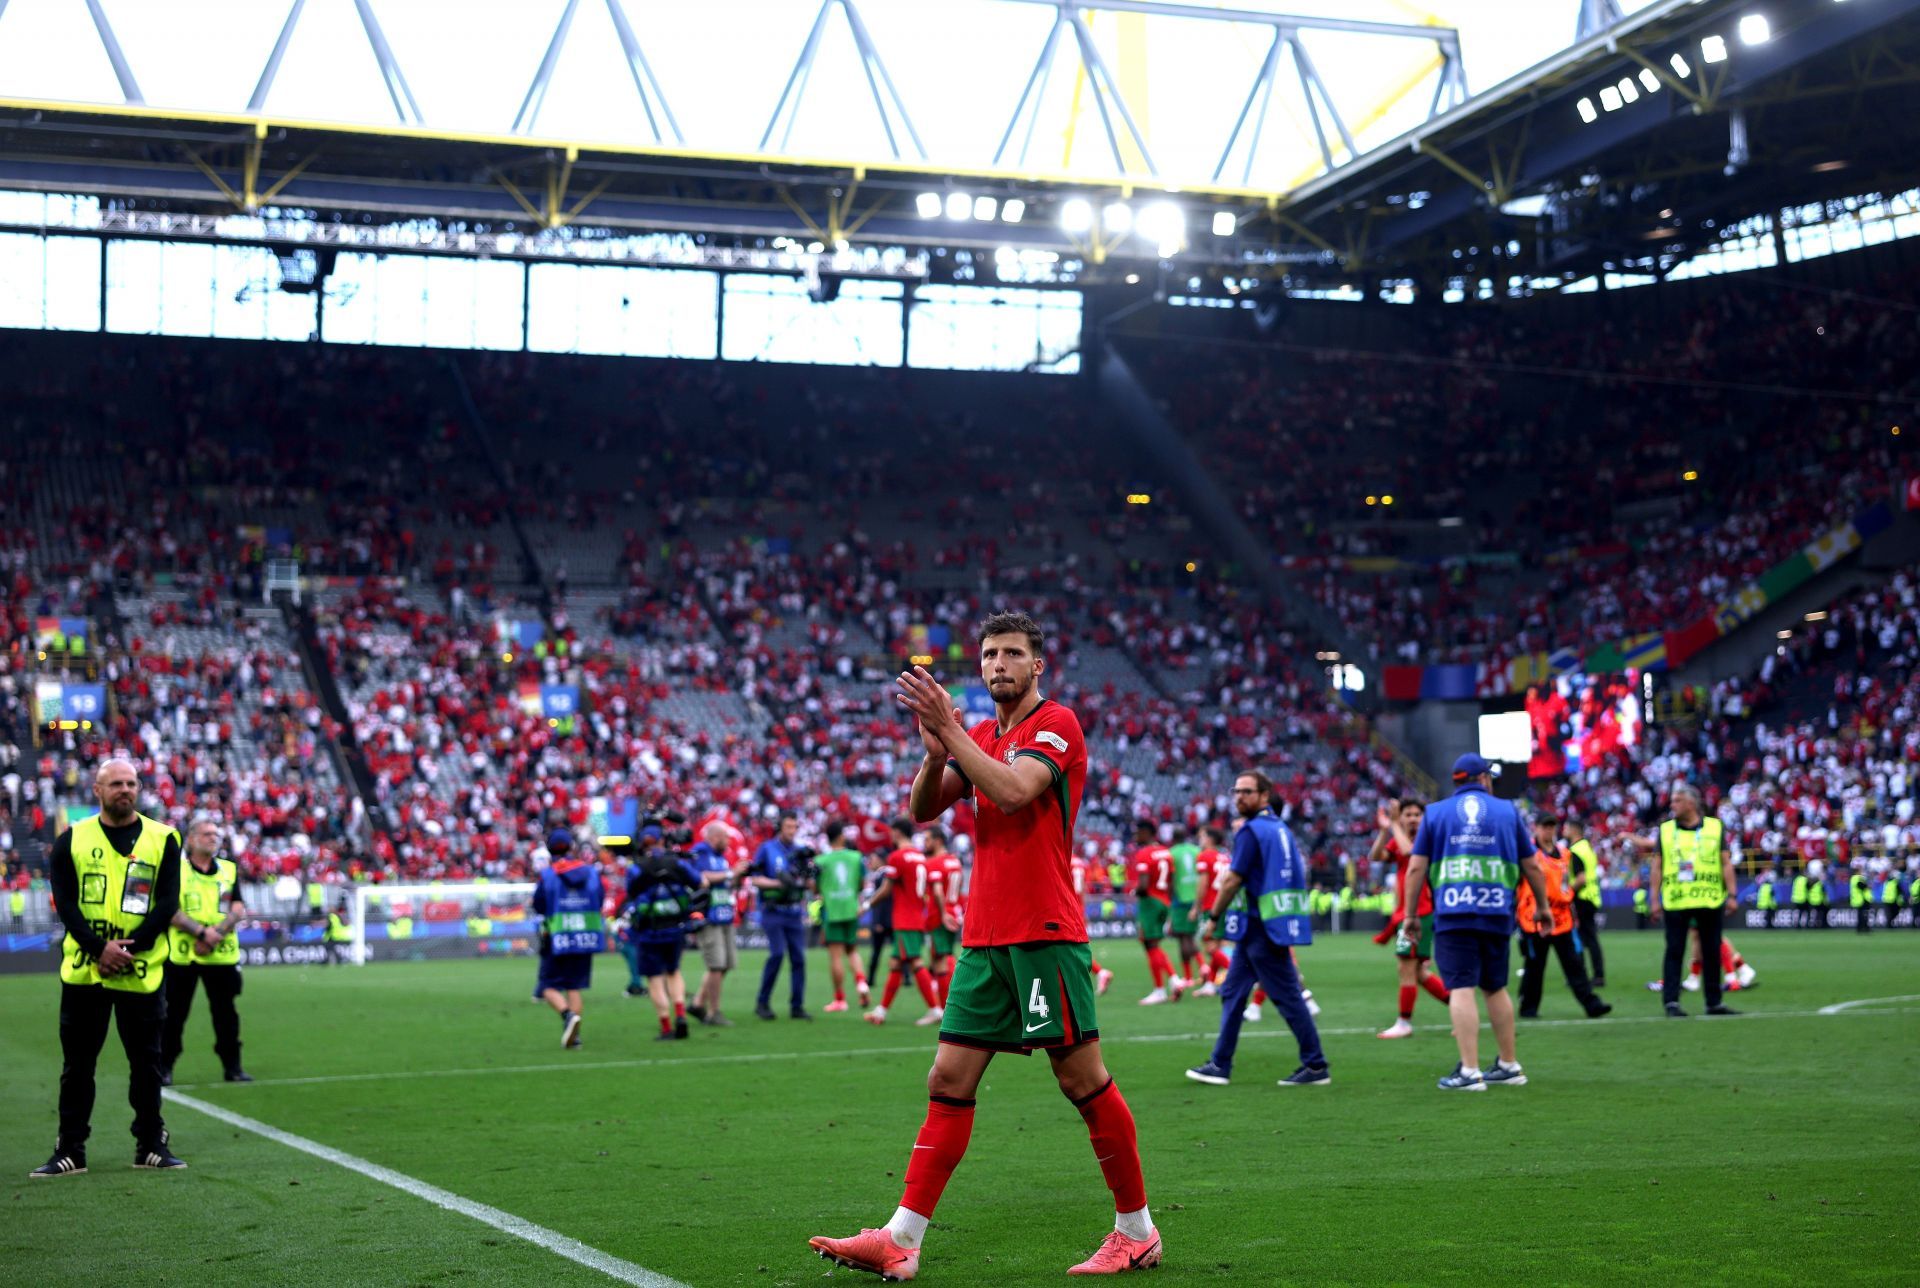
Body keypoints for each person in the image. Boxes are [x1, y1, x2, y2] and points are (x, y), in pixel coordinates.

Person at [810, 611, 1160, 1277]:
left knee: (1080, 1078)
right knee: (947, 1077)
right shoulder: (978, 735)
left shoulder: (1056, 725)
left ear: (1038, 665)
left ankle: (1136, 1230)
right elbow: (923, 809)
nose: (999, 664)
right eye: (990, 654)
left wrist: (951, 734)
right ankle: (901, 1239)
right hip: (983, 936)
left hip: (1044, 932)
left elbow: (1012, 791)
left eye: (1012, 653)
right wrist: (937, 751)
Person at [35, 758, 186, 1176]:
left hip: (141, 972)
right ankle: (70, 1150)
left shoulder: (164, 838)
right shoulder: (72, 839)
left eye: (131, 783)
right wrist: (101, 948)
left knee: (147, 1065)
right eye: (116, 783)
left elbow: (168, 902)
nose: (125, 790)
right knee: (79, 1066)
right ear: (97, 790)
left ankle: (150, 1145)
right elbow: (65, 905)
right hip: (87, 971)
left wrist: (128, 950)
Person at [1400, 753, 1553, 1092]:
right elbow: (1532, 866)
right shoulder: (1507, 812)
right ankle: (1509, 1064)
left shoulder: (1435, 813)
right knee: (1495, 987)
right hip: (1497, 910)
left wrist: (1411, 915)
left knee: (1461, 987)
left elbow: (1415, 868)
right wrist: (1542, 907)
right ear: (1484, 779)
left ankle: (1469, 1071)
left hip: (1454, 913)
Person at [1184, 770, 1328, 1089]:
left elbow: (1234, 879)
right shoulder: (1280, 829)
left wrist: (1213, 916)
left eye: (1247, 792)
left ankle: (1316, 1064)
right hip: (1263, 924)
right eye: (1236, 791)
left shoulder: (1251, 830)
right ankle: (1220, 1064)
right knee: (1233, 992)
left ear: (1264, 796)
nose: (1239, 797)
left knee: (1287, 995)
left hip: (1260, 925)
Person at [1620, 784, 1740, 1018]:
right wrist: (1654, 899)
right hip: (1676, 899)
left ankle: (1714, 1002)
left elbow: (1726, 863)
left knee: (1711, 951)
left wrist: (1732, 895)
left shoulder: (1715, 828)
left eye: (1676, 801)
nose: (1671, 805)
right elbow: (1657, 866)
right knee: (1674, 951)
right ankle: (1671, 1002)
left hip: (1710, 898)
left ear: (1691, 803)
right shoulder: (1665, 830)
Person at [160, 814, 251, 1085]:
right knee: (173, 1015)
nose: (214, 839)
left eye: (216, 835)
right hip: (184, 955)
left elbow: (238, 907)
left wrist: (216, 934)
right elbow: (169, 910)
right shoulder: (177, 870)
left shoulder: (228, 870)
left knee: (226, 1016)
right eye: (207, 834)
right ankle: (165, 1067)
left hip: (220, 955)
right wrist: (201, 933)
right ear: (191, 839)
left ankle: (232, 1067)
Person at [1515, 813, 1610, 1020]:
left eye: (1552, 827)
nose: (1549, 831)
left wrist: (1566, 895)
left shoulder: (1566, 854)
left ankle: (1592, 1005)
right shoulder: (1528, 853)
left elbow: (1578, 878)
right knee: (1535, 966)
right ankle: (1529, 1007)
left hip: (1560, 918)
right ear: (1537, 828)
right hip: (1535, 920)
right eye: (1545, 826)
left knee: (1574, 965)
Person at [1368, 798, 1449, 1040]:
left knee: (1406, 968)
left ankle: (1404, 1023)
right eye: (1408, 814)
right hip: (1410, 914)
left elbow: (1409, 853)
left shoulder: (1429, 839)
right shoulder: (1402, 837)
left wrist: (1394, 824)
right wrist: (1385, 830)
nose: (1412, 818)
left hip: (1420, 914)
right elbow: (1376, 856)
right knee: (1419, 974)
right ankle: (1460, 1007)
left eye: (1417, 814)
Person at [617, 827, 701, 1041]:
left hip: (649, 931)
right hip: (675, 927)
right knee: (674, 973)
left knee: (655, 980)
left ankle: (666, 1026)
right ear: (662, 840)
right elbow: (700, 883)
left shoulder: (636, 868)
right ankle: (681, 1014)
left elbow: (631, 894)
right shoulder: (677, 863)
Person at [863, 819, 945, 1027]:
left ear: (897, 833)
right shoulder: (921, 857)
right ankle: (881, 1012)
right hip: (917, 915)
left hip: (904, 918)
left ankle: (936, 1009)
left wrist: (866, 905)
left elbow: (886, 889)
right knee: (896, 964)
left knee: (915, 962)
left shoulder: (897, 857)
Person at [532, 828, 603, 1049]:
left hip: (558, 936)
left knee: (547, 987)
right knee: (574, 987)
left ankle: (567, 1016)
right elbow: (600, 898)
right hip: (586, 935)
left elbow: (539, 905)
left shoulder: (548, 874)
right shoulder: (590, 872)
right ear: (572, 847)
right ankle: (575, 1037)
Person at [748, 813, 811, 1021]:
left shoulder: (801, 851)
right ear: (780, 827)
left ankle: (797, 1006)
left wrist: (807, 879)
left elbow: (809, 882)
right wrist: (779, 884)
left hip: (794, 911)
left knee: (799, 959)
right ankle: (762, 1002)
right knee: (776, 954)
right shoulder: (766, 849)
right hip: (773, 910)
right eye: (788, 826)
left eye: (794, 827)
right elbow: (755, 879)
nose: (791, 831)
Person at [687, 821, 740, 1026]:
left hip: (724, 913)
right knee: (716, 965)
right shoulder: (699, 852)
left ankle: (699, 1002)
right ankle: (713, 1012)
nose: (728, 841)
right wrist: (729, 874)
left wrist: (736, 876)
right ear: (715, 837)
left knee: (725, 964)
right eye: (726, 837)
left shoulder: (720, 858)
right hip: (709, 916)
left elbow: (725, 882)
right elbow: (701, 877)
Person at [816, 821, 873, 1014]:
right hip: (851, 908)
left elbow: (815, 888)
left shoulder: (820, 861)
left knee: (835, 956)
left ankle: (840, 999)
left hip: (832, 910)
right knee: (853, 950)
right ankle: (861, 982)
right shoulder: (856, 857)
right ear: (841, 836)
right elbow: (862, 883)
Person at [1128, 821, 1185, 1005]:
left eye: (1138, 833)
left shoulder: (1144, 853)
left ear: (1146, 833)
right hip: (1164, 901)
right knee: (1153, 944)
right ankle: (1170, 981)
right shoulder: (1166, 853)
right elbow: (1172, 879)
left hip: (1150, 902)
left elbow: (1144, 886)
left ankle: (1164, 986)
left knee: (1150, 944)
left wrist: (1135, 891)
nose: (1136, 837)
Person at [1563, 816, 1607, 985]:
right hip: (1592, 897)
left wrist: (1567, 893)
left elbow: (1580, 879)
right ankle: (1592, 975)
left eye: (1567, 827)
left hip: (1582, 899)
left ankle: (1590, 976)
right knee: (1587, 938)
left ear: (1574, 830)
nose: (1564, 830)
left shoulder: (1575, 851)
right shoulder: (1587, 848)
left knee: (1583, 938)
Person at [923, 826, 963, 1006]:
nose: (925, 844)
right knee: (943, 955)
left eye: (927, 840)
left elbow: (938, 892)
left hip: (941, 915)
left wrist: (943, 913)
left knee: (941, 960)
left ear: (938, 841)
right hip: (954, 910)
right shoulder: (955, 861)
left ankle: (945, 1007)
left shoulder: (934, 862)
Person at [1191, 826, 1232, 996]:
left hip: (1211, 906)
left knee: (1209, 947)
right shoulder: (1225, 857)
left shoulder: (1204, 856)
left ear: (1209, 839)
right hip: (1225, 903)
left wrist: (1196, 907)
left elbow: (1203, 884)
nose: (1200, 840)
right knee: (1219, 944)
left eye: (1202, 836)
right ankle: (1210, 985)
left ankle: (1240, 974)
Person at [1070, 851, 1115, 995]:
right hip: (1079, 909)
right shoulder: (1080, 863)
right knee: (1073, 948)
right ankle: (1100, 973)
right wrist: (1084, 911)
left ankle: (1100, 972)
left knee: (1071, 949)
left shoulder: (1061, 858)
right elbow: (1083, 889)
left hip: (1067, 909)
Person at [1167, 832, 1203, 991]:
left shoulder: (1172, 853)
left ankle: (1189, 976)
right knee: (1191, 936)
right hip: (1196, 898)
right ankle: (1202, 967)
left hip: (1180, 899)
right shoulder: (1196, 850)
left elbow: (1171, 878)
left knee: (1183, 938)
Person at [324, 898, 352, 964]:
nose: (329, 909)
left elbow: (328, 925)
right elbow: (344, 923)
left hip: (333, 936)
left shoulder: (331, 916)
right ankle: (331, 960)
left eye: (330, 908)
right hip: (335, 935)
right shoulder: (338, 915)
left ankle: (329, 960)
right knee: (331, 949)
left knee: (330, 948)